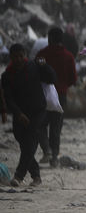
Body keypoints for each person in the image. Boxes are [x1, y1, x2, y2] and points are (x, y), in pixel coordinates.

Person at [2, 44, 56, 187]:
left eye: (21, 56)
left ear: (25, 54)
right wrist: (19, 113)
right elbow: (8, 98)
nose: (19, 59)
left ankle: (19, 176)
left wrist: (45, 66)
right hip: (19, 113)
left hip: (38, 111)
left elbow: (52, 78)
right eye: (15, 57)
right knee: (24, 143)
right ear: (11, 58)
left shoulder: (34, 67)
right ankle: (36, 176)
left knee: (30, 141)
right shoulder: (7, 75)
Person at [36, 27, 78, 167]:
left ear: (50, 38)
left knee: (40, 125)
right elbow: (73, 79)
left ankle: (46, 149)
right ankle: (54, 158)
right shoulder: (69, 56)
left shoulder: (42, 54)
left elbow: (35, 73)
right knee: (56, 127)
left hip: (43, 95)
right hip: (61, 96)